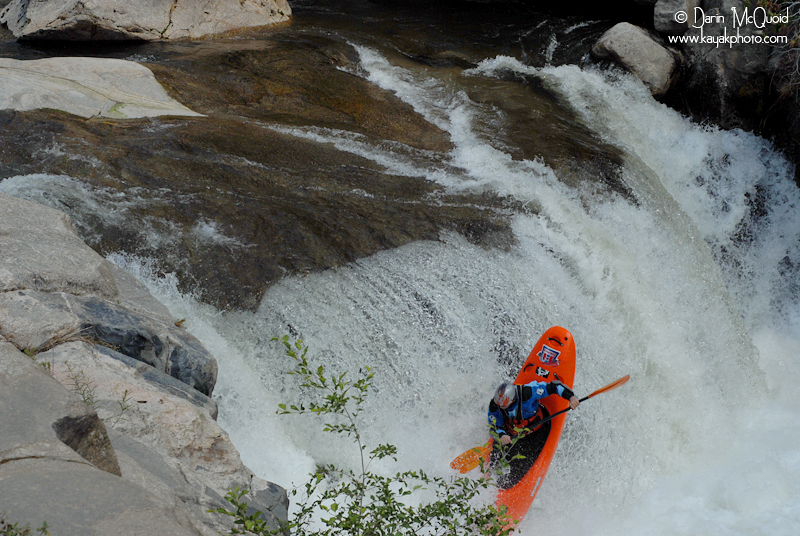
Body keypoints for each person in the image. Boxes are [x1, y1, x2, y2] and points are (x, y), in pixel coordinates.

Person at [488, 379, 579, 446]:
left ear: (512, 400)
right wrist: (502, 435)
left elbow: (554, 386)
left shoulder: (528, 393)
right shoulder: (494, 405)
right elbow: (493, 428)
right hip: (514, 434)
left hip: (537, 428)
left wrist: (571, 397)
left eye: (503, 405)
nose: (499, 406)